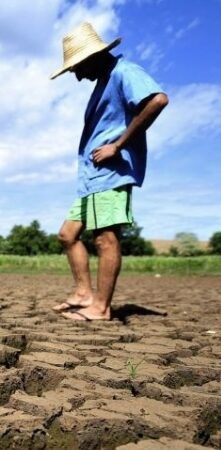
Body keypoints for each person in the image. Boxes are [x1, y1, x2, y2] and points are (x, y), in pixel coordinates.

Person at [49, 22, 169, 321]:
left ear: (93, 56)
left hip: (110, 173)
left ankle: (100, 308)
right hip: (91, 176)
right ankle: (83, 294)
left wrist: (118, 145)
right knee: (67, 234)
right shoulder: (103, 80)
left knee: (106, 239)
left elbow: (158, 100)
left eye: (76, 67)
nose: (76, 76)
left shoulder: (123, 72)